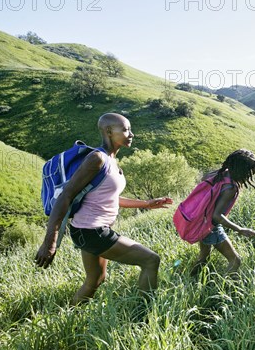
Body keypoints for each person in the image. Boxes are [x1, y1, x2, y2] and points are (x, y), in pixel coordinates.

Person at [35, 113, 173, 305]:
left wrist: (147, 204)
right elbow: (66, 196)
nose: (131, 134)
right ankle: (145, 315)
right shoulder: (97, 158)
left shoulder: (111, 161)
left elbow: (111, 198)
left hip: (87, 231)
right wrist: (50, 242)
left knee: (96, 279)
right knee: (151, 260)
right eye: (125, 130)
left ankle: (72, 319)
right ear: (109, 131)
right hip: (92, 231)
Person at [189, 149, 255, 277]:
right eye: (249, 174)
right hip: (212, 227)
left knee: (203, 258)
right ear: (241, 171)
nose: (249, 177)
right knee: (235, 261)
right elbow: (217, 216)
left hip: (201, 222)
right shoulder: (230, 188)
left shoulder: (216, 174)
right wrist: (239, 229)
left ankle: (192, 279)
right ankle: (221, 290)